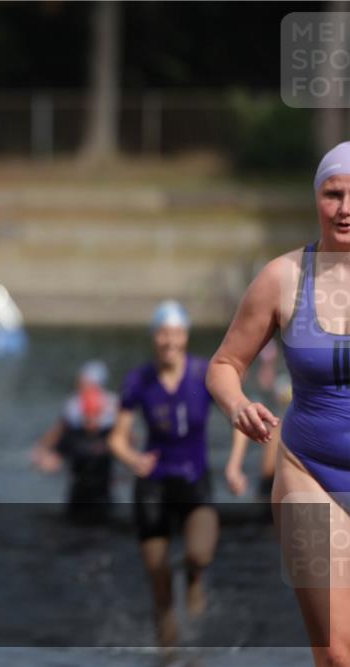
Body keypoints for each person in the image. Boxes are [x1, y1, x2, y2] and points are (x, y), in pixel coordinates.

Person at [206, 141, 350, 667]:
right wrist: (238, 405)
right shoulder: (284, 277)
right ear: (316, 198)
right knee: (338, 654)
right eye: (333, 194)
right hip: (307, 472)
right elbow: (223, 366)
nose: (344, 208)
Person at [108, 300, 223, 647]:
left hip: (193, 479)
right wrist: (133, 459)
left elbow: (237, 410)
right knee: (159, 586)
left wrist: (235, 464)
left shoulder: (204, 373)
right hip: (153, 484)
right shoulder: (139, 379)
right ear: (154, 337)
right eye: (162, 333)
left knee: (200, 554)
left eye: (176, 333)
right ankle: (169, 656)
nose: (169, 341)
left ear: (186, 336)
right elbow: (116, 438)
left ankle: (192, 574)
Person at [31, 360, 118, 521]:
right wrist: (44, 454)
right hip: (78, 492)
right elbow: (58, 437)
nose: (90, 419)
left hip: (103, 493)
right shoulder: (73, 429)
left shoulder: (110, 427)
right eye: (87, 414)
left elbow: (127, 442)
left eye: (94, 414)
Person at [223, 339, 291, 501]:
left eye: (270, 364)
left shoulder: (283, 387)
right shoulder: (250, 393)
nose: (266, 371)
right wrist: (234, 466)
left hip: (278, 471)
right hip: (262, 475)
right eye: (262, 365)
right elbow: (242, 427)